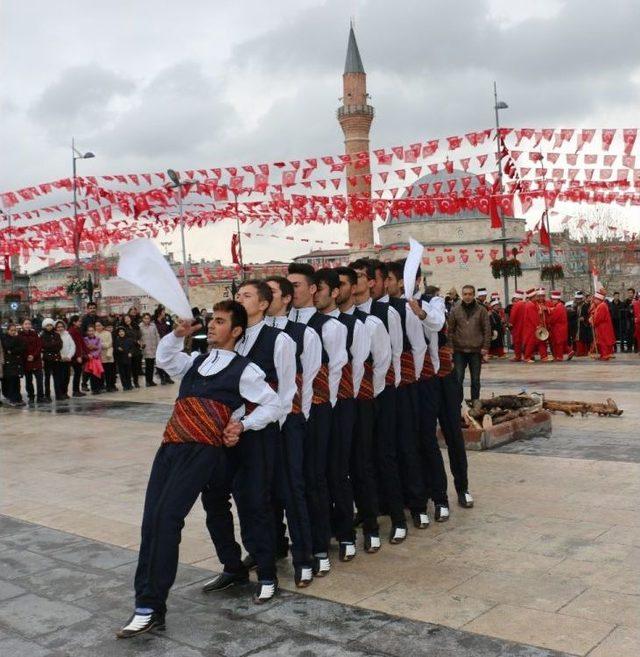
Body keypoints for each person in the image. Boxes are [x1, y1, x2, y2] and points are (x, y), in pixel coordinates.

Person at [116, 301, 282, 639]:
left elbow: (276, 403)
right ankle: (150, 608)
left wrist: (243, 424)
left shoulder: (244, 370)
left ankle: (147, 606)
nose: (212, 325)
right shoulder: (196, 361)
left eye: (220, 321)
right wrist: (176, 335)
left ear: (236, 331)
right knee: (152, 522)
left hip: (204, 453)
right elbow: (165, 359)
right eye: (212, 319)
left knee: (167, 520)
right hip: (170, 448)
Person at [201, 280, 296, 601]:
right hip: (221, 436)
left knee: (254, 502)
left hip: (258, 433)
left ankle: (267, 571)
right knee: (214, 498)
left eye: (246, 296)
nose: (239, 299)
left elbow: (284, 394)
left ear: (264, 304)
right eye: (237, 295)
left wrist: (255, 425)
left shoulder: (277, 340)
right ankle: (232, 565)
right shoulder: (222, 344)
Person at [286, 262, 347, 576]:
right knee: (290, 482)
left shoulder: (329, 327)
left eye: (296, 284)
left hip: (318, 409)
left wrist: (322, 410)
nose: (291, 291)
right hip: (286, 413)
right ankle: (297, 539)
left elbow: (332, 373)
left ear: (313, 288)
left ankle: (320, 543)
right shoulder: (280, 327)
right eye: (288, 285)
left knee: (315, 478)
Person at [264, 275, 320, 588]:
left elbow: (308, 380)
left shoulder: (302, 333)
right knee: (264, 487)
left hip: (290, 419)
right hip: (258, 423)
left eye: (270, 292)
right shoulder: (247, 336)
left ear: (285, 299)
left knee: (292, 488)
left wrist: (299, 418)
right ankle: (271, 545)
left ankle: (304, 556)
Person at [316, 268, 370, 556]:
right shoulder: (310, 324)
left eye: (320, 288)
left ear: (335, 292)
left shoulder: (354, 325)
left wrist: (341, 400)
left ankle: (349, 532)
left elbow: (356, 367)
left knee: (341, 470)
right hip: (318, 407)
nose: (315, 293)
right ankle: (325, 529)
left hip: (343, 403)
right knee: (320, 473)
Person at [447, 284, 490, 402]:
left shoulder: (481, 310)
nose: (467, 297)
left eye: (470, 294)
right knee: (458, 379)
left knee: (475, 380)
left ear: (474, 295)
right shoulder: (455, 309)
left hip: (476, 350)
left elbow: (487, 329)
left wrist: (485, 347)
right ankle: (457, 404)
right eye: (465, 294)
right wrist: (450, 347)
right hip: (459, 350)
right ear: (462, 295)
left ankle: (475, 403)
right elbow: (450, 330)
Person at [19, 318, 45, 404]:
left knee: (40, 380)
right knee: (28, 380)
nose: (27, 325)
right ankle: (31, 396)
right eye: (26, 324)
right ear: (22, 325)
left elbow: (39, 345)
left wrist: (34, 355)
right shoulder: (19, 336)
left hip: (36, 360)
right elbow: (21, 349)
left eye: (29, 324)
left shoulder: (34, 334)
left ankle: (40, 397)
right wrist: (27, 356)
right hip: (26, 361)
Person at [1, 323, 25, 406]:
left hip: (17, 362)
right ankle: (12, 399)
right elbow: (8, 345)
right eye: (11, 330)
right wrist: (15, 344)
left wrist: (12, 351)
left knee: (17, 381)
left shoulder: (18, 338)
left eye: (15, 330)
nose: (13, 332)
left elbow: (22, 348)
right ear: (8, 331)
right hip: (9, 363)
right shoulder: (5, 338)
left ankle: (18, 398)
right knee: (11, 381)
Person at [590, 289, 616, 360]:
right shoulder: (601, 305)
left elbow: (598, 318)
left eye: (595, 299)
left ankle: (605, 355)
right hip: (603, 327)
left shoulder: (601, 306)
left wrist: (592, 320)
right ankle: (603, 354)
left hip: (603, 327)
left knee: (603, 340)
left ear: (598, 299)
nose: (594, 301)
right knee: (602, 340)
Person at [40, 318, 63, 401]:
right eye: (47, 325)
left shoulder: (57, 335)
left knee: (57, 377)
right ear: (44, 326)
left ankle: (58, 394)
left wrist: (51, 345)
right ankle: (47, 395)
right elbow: (44, 346)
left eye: (50, 325)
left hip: (56, 358)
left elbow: (60, 345)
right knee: (47, 378)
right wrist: (53, 345)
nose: (49, 327)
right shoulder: (42, 336)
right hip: (47, 359)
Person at [548, 291, 573, 361]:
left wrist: (548, 321)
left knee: (558, 342)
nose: (552, 301)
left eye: (553, 300)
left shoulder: (558, 307)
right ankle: (570, 351)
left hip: (558, 327)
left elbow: (554, 318)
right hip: (561, 327)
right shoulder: (560, 306)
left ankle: (559, 357)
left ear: (557, 300)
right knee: (562, 342)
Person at [153, 306, 174, 384]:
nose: (164, 313)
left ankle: (167, 377)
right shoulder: (154, 322)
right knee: (160, 361)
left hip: (166, 342)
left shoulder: (166, 321)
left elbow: (170, 329)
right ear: (159, 313)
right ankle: (162, 378)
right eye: (163, 312)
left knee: (167, 360)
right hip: (158, 343)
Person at [55, 320, 75, 399]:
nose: (60, 328)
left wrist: (69, 356)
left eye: (61, 327)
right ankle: (60, 393)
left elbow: (72, 346)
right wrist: (61, 356)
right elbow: (55, 348)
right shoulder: (55, 336)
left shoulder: (68, 335)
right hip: (59, 360)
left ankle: (65, 392)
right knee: (60, 378)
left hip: (67, 360)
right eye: (58, 327)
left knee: (67, 377)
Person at [68, 315, 87, 397]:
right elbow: (74, 345)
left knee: (78, 373)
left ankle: (76, 390)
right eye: (79, 321)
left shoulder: (77, 330)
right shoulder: (72, 331)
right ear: (74, 322)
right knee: (77, 373)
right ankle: (75, 391)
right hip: (75, 356)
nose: (80, 322)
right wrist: (78, 356)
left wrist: (87, 351)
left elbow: (82, 342)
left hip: (78, 354)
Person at [139, 313, 160, 387]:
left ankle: (151, 381)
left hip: (153, 347)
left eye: (148, 318)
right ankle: (147, 381)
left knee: (152, 365)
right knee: (148, 365)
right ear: (142, 319)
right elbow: (139, 338)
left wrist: (158, 345)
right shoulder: (140, 326)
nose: (146, 320)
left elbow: (157, 335)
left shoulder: (153, 326)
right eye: (145, 318)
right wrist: (141, 345)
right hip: (146, 348)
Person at [123, 314, 142, 389]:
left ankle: (136, 382)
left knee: (136, 367)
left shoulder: (135, 326)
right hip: (129, 349)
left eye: (128, 318)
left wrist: (140, 342)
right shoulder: (123, 328)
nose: (127, 320)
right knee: (129, 368)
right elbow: (126, 338)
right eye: (125, 319)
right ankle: (129, 383)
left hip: (137, 349)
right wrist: (135, 341)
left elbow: (139, 336)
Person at [95, 320, 116, 392]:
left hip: (108, 355)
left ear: (103, 326)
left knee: (109, 372)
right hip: (98, 356)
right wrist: (103, 345)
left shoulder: (108, 333)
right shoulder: (94, 334)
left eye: (99, 325)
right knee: (100, 372)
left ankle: (109, 386)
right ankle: (101, 386)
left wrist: (99, 345)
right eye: (96, 326)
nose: (98, 327)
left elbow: (109, 344)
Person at [83, 325, 104, 394]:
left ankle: (97, 388)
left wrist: (93, 354)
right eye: (89, 331)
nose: (91, 332)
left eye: (92, 330)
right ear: (87, 332)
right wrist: (93, 348)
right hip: (88, 359)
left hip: (96, 359)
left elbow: (99, 348)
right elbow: (85, 348)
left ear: (94, 331)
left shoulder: (98, 338)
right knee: (90, 374)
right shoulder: (85, 339)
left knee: (97, 373)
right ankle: (92, 388)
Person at [114, 326, 134, 390]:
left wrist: (130, 353)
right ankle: (124, 385)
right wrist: (118, 349)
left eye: (122, 331)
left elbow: (132, 348)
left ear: (125, 332)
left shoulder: (129, 339)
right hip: (120, 359)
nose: (121, 333)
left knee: (128, 373)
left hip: (128, 358)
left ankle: (129, 384)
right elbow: (115, 349)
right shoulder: (116, 340)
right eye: (119, 332)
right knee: (122, 373)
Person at [508, 290, 525, 361]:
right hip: (525, 326)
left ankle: (517, 357)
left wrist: (510, 324)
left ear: (516, 298)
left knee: (517, 342)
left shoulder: (516, 305)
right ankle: (527, 355)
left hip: (517, 326)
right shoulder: (525, 304)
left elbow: (513, 316)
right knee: (525, 341)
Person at [574, 292, 593, 356]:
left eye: (579, 299)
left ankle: (583, 352)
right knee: (578, 338)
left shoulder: (584, 306)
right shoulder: (576, 306)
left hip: (583, 325)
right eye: (577, 299)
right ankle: (579, 351)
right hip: (577, 324)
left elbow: (587, 314)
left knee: (582, 338)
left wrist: (584, 318)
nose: (578, 300)